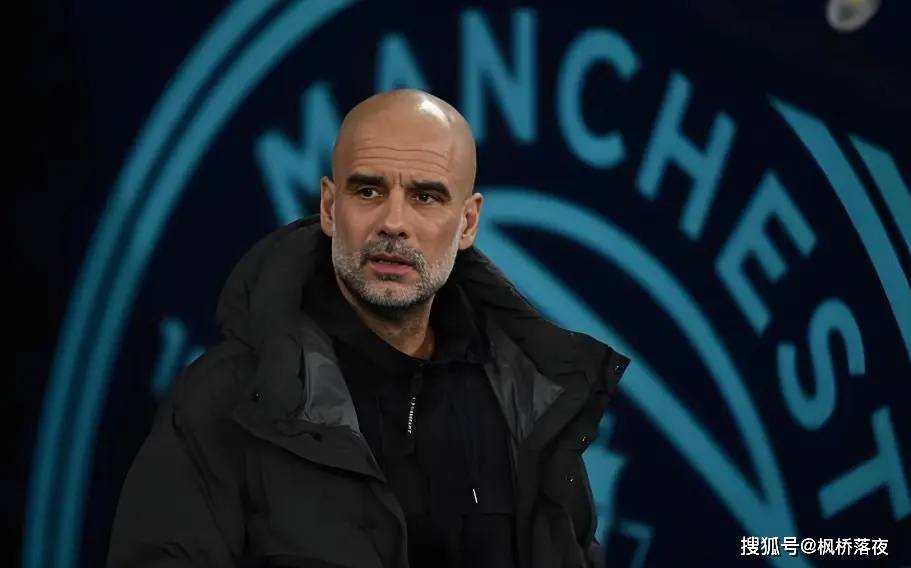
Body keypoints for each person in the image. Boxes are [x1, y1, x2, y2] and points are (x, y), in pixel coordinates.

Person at [107, 89, 630, 568]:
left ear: (468, 222)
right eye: (368, 191)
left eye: (426, 196)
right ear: (330, 207)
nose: (393, 223)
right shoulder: (226, 399)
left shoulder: (524, 399)